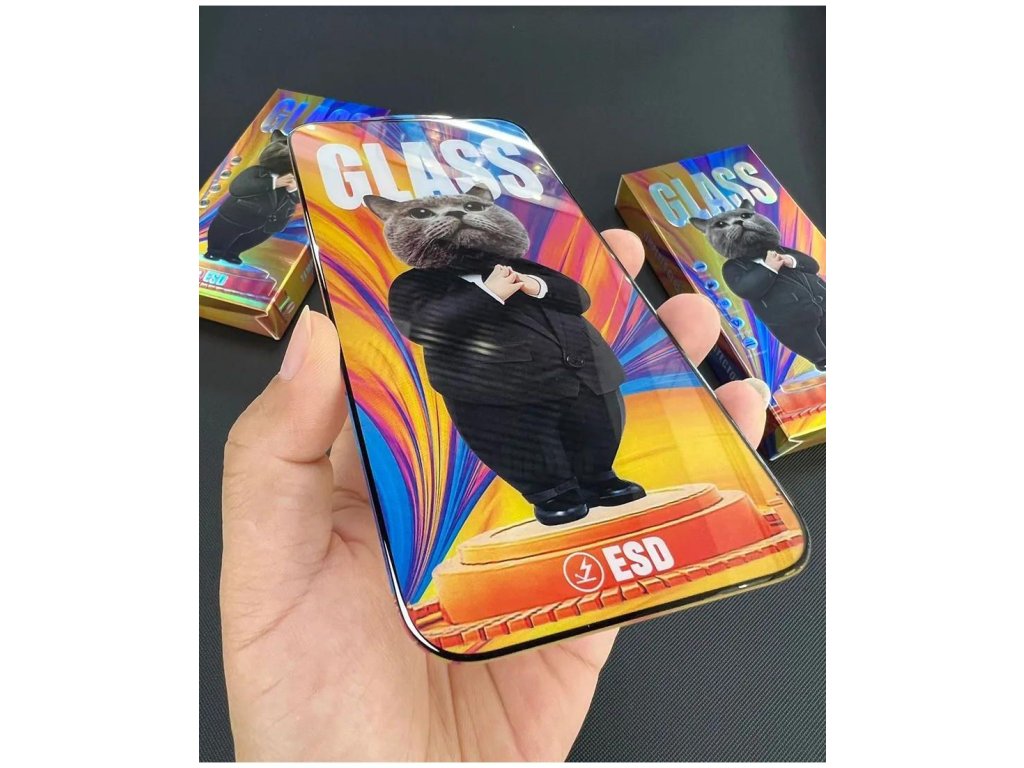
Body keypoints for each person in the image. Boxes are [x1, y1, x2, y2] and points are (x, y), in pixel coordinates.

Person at [220, 230, 772, 760]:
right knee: (527, 445)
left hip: (583, 372)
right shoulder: (416, 284)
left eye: (473, 210)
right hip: (497, 390)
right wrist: (489, 294)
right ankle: (554, 493)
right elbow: (426, 325)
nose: (463, 221)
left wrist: (535, 285)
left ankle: (600, 480)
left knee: (598, 427)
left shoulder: (524, 265)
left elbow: (577, 297)